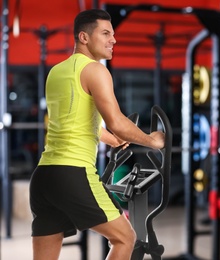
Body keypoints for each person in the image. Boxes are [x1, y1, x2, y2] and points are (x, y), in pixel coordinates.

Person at [29, 9, 165, 260]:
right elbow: (117, 122)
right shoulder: (96, 70)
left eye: (113, 34)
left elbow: (72, 122)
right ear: (83, 37)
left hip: (44, 177)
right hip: (73, 172)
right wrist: (152, 141)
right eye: (105, 33)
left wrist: (110, 139)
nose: (113, 39)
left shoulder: (56, 72)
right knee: (125, 238)